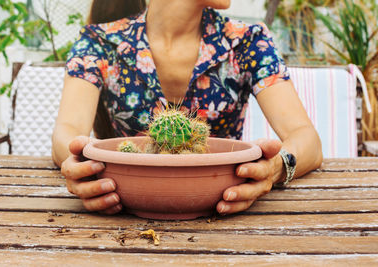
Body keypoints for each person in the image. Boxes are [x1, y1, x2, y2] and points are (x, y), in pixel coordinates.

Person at [52, 0, 322, 216]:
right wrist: (82, 168)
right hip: (122, 212)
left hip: (224, 212)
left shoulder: (248, 41)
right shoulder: (99, 43)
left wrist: (275, 169)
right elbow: (69, 131)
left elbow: (306, 139)